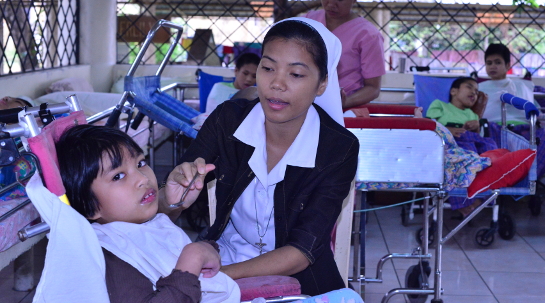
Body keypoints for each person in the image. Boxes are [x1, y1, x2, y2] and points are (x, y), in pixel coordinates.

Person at [165, 18, 358, 296]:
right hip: (222, 255)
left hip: (298, 280)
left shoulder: (338, 148)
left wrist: (217, 277)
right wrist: (171, 198)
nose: (277, 84)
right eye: (267, 68)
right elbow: (165, 204)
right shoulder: (227, 121)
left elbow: (301, 251)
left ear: (322, 84)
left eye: (296, 74)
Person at [52, 124, 239, 303]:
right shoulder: (112, 256)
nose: (143, 178)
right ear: (89, 207)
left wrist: (207, 249)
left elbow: (171, 250)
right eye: (118, 176)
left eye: (140, 163)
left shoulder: (141, 224)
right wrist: (193, 259)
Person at [479, 43, 545, 177]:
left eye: (498, 62)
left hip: (525, 130)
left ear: (508, 65)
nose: (492, 66)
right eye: (489, 63)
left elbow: (536, 111)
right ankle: (508, 185)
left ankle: (526, 183)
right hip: (493, 129)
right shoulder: (478, 88)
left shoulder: (522, 86)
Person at [305, 0, 386, 109]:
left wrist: (345, 102)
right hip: (304, 104)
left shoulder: (368, 35)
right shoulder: (308, 21)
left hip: (346, 110)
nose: (331, 4)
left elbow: (373, 88)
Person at [426, 77, 497, 154]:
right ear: (453, 91)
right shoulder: (440, 105)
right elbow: (429, 124)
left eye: (476, 92)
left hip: (469, 137)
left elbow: (477, 135)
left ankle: (491, 161)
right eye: (469, 87)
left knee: (490, 144)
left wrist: (476, 127)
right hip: (450, 137)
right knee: (468, 148)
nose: (474, 92)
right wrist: (446, 131)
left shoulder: (473, 114)